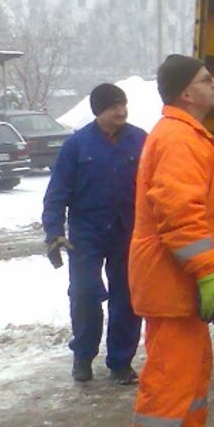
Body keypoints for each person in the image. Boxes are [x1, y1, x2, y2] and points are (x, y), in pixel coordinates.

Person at [119, 55, 214, 427]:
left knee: (192, 378)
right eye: (207, 81)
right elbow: (180, 215)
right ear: (186, 93)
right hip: (176, 285)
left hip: (180, 287)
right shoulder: (177, 138)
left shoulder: (186, 135)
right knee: (168, 385)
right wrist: (207, 273)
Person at [42, 83, 146, 384]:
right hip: (85, 233)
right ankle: (83, 356)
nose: (121, 111)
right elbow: (57, 191)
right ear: (98, 111)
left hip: (127, 230)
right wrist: (53, 232)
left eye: (123, 104)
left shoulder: (140, 140)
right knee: (85, 293)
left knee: (126, 297)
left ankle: (120, 362)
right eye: (114, 106)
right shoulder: (77, 145)